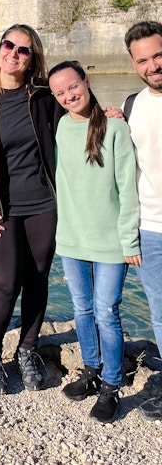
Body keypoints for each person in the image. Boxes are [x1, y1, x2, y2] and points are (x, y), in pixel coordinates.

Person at [0, 24, 63, 395]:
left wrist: (110, 116)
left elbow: (80, 119)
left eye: (24, 50)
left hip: (43, 205)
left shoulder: (44, 96)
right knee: (5, 284)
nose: (14, 54)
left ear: (32, 58)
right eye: (9, 45)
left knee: (38, 278)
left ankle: (28, 349)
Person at [49, 60, 141, 424]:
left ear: (86, 82)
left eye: (73, 87)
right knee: (82, 310)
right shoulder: (60, 126)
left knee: (107, 312)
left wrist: (129, 240)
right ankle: (91, 369)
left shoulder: (115, 127)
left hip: (110, 244)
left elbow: (127, 187)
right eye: (60, 93)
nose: (69, 96)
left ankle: (112, 385)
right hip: (72, 239)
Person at [123, 21, 162, 420]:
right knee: (161, 310)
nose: (153, 65)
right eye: (144, 59)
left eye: (158, 55)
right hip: (149, 229)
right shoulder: (132, 106)